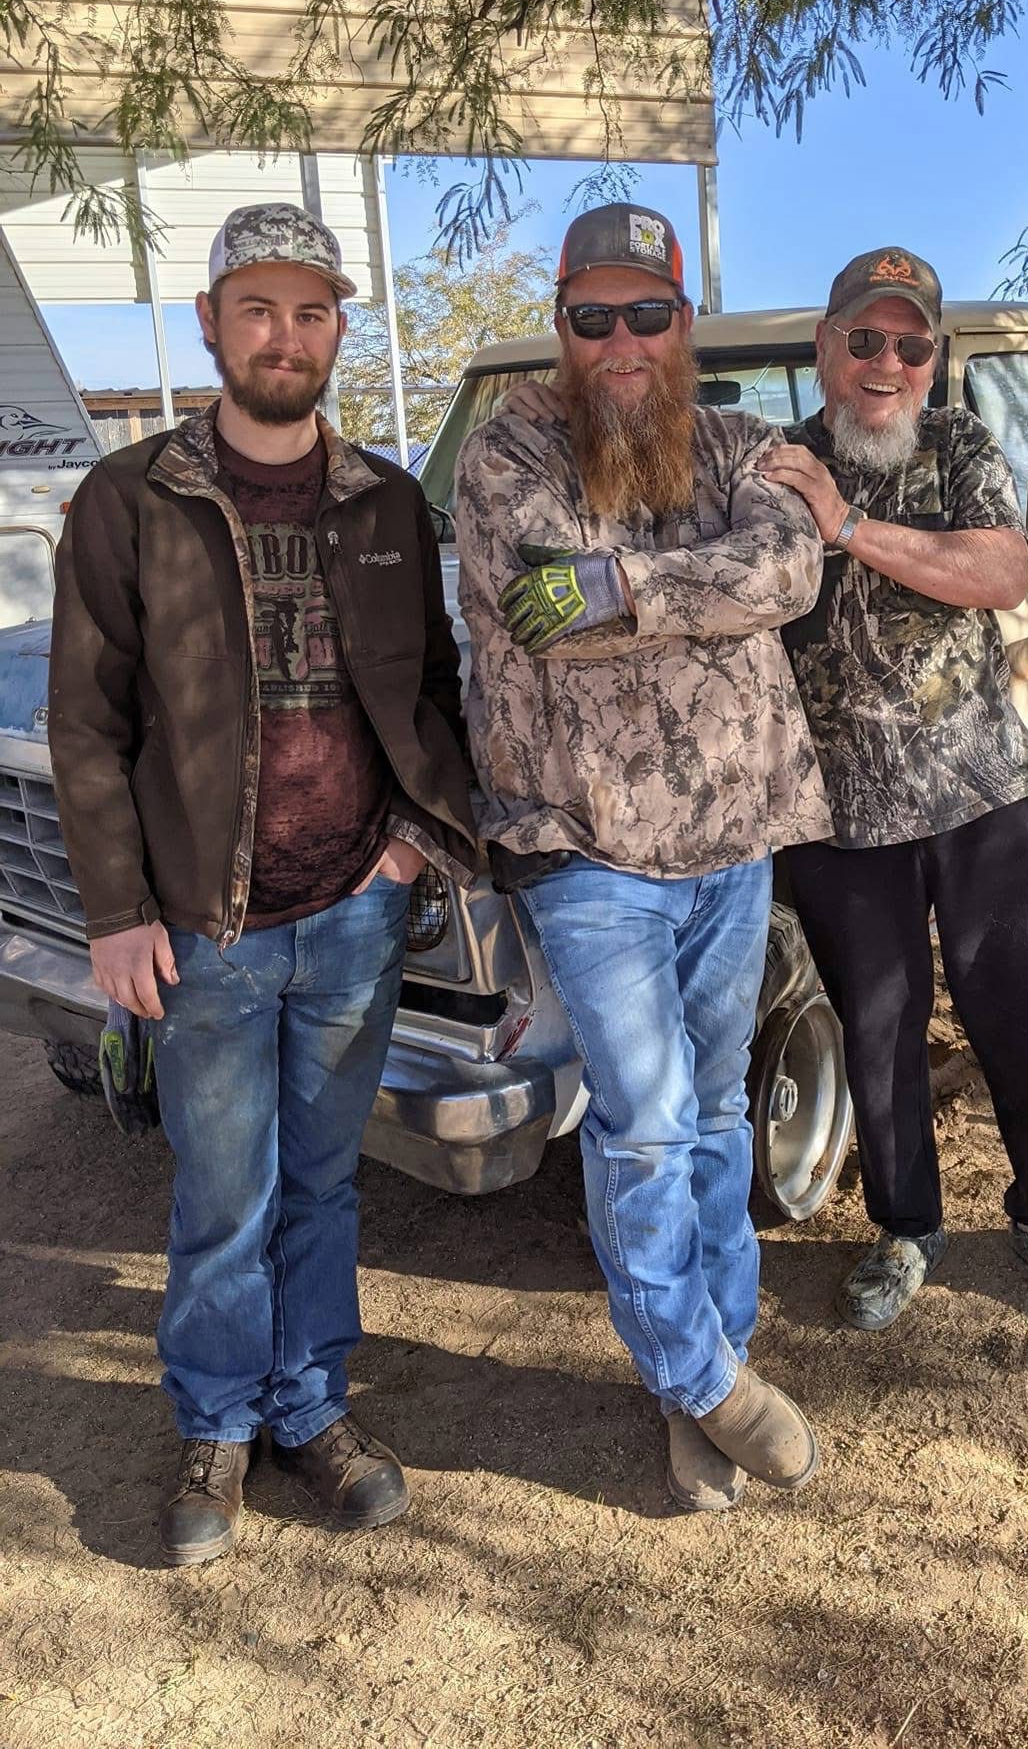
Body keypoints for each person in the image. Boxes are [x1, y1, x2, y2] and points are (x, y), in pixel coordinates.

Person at [49, 203, 479, 1565]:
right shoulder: (131, 499)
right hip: (205, 928)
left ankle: (311, 1407)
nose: (284, 336)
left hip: (355, 910)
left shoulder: (387, 502)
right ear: (210, 323)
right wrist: (117, 910)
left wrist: (408, 844)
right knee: (222, 1191)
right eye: (257, 308)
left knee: (324, 1184)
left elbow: (431, 687)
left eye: (309, 311)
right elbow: (86, 723)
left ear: (338, 327)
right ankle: (218, 1422)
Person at [456, 203, 831, 1512]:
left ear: (684, 323)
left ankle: (708, 1365)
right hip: (586, 850)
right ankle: (704, 1379)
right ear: (561, 326)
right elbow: (538, 612)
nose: (620, 341)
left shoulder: (737, 441)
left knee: (716, 1112)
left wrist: (623, 588)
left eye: (647, 313)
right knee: (646, 1124)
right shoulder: (506, 455)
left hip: (733, 843)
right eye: (592, 316)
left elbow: (788, 569)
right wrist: (689, 592)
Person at [756, 246, 1028, 1333]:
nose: (887, 362)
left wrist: (846, 526)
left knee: (1022, 1012)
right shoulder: (775, 467)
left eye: (910, 344)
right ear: (825, 346)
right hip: (839, 814)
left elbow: (998, 572)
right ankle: (903, 1228)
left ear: (932, 360)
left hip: (980, 792)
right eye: (864, 338)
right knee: (877, 1028)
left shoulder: (960, 444)